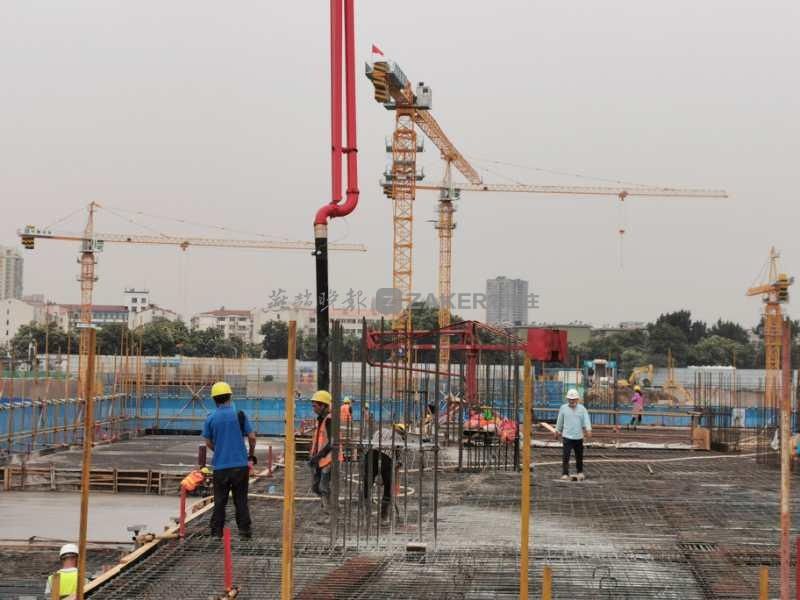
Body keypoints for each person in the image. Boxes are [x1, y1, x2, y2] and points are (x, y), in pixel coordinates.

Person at [203, 381, 256, 539]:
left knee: (220, 501)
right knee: (241, 501)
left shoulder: (211, 418)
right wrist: (250, 455)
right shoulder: (239, 415)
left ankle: (216, 533)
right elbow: (252, 438)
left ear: (214, 399)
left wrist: (219, 451)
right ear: (230, 397)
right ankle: (245, 533)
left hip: (220, 467)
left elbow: (207, 442)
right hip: (240, 466)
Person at [309, 390, 342, 524]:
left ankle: (331, 515)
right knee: (316, 487)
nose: (313, 408)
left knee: (323, 487)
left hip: (330, 459)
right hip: (321, 459)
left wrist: (318, 456)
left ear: (323, 405)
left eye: (315, 405)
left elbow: (332, 442)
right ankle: (333, 508)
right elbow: (319, 440)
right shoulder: (321, 419)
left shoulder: (329, 420)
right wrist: (313, 456)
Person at [363, 423, 407, 522]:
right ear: (401, 432)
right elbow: (398, 457)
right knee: (388, 485)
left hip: (369, 455)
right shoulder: (399, 438)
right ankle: (384, 515)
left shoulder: (380, 430)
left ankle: (366, 512)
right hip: (386, 457)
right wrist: (398, 465)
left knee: (368, 483)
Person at [554, 388, 592, 481]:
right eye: (570, 399)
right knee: (566, 456)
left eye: (573, 399)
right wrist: (557, 431)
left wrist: (588, 429)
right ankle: (565, 473)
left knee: (579, 456)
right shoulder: (563, 408)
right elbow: (560, 421)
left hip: (578, 437)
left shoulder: (582, 409)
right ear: (567, 399)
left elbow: (586, 420)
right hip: (567, 436)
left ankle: (580, 472)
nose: (571, 401)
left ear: (577, 399)